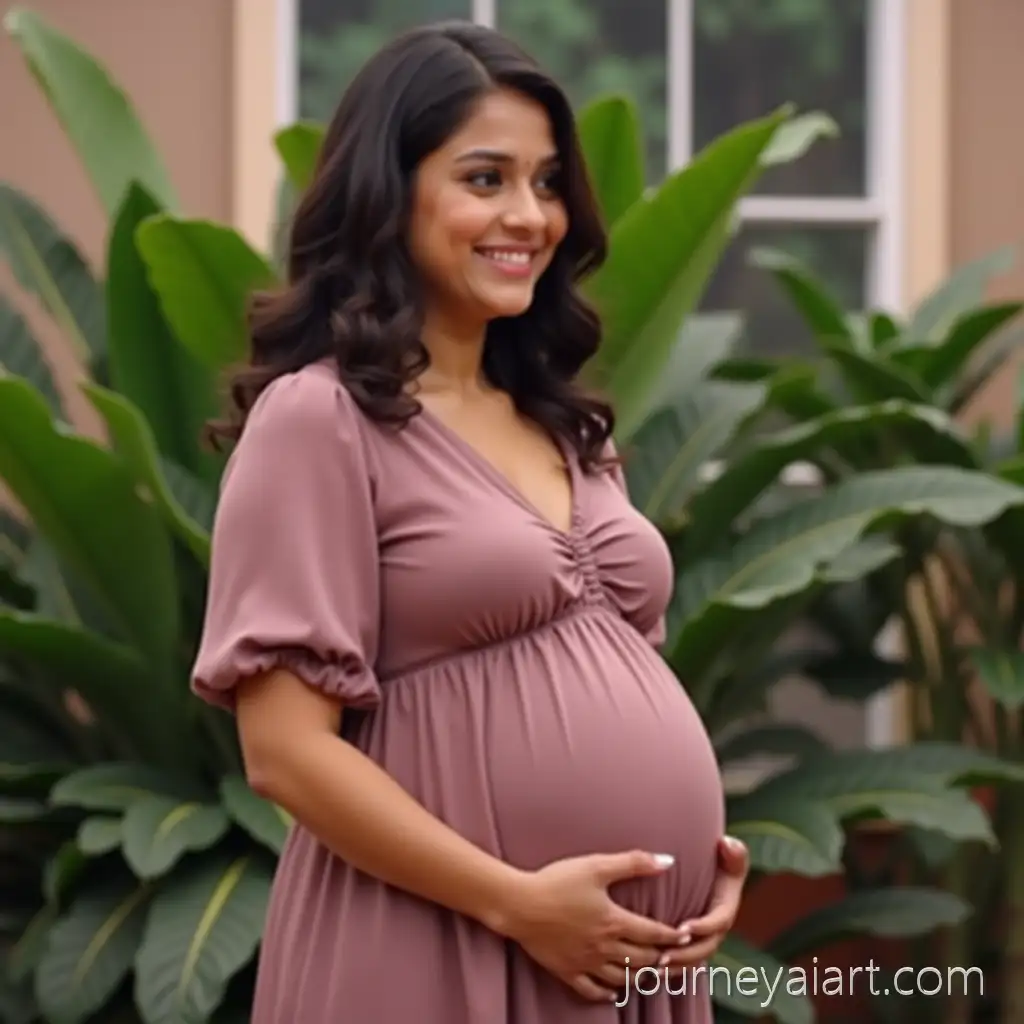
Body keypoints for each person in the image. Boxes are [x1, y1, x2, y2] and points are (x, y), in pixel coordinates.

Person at [190, 18, 748, 1023]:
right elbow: (283, 750)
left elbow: (613, 686)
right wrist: (517, 902)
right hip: (436, 943)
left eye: (545, 183)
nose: (530, 215)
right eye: (485, 178)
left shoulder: (563, 423)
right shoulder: (322, 419)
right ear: (386, 193)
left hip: (627, 965)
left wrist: (698, 869)